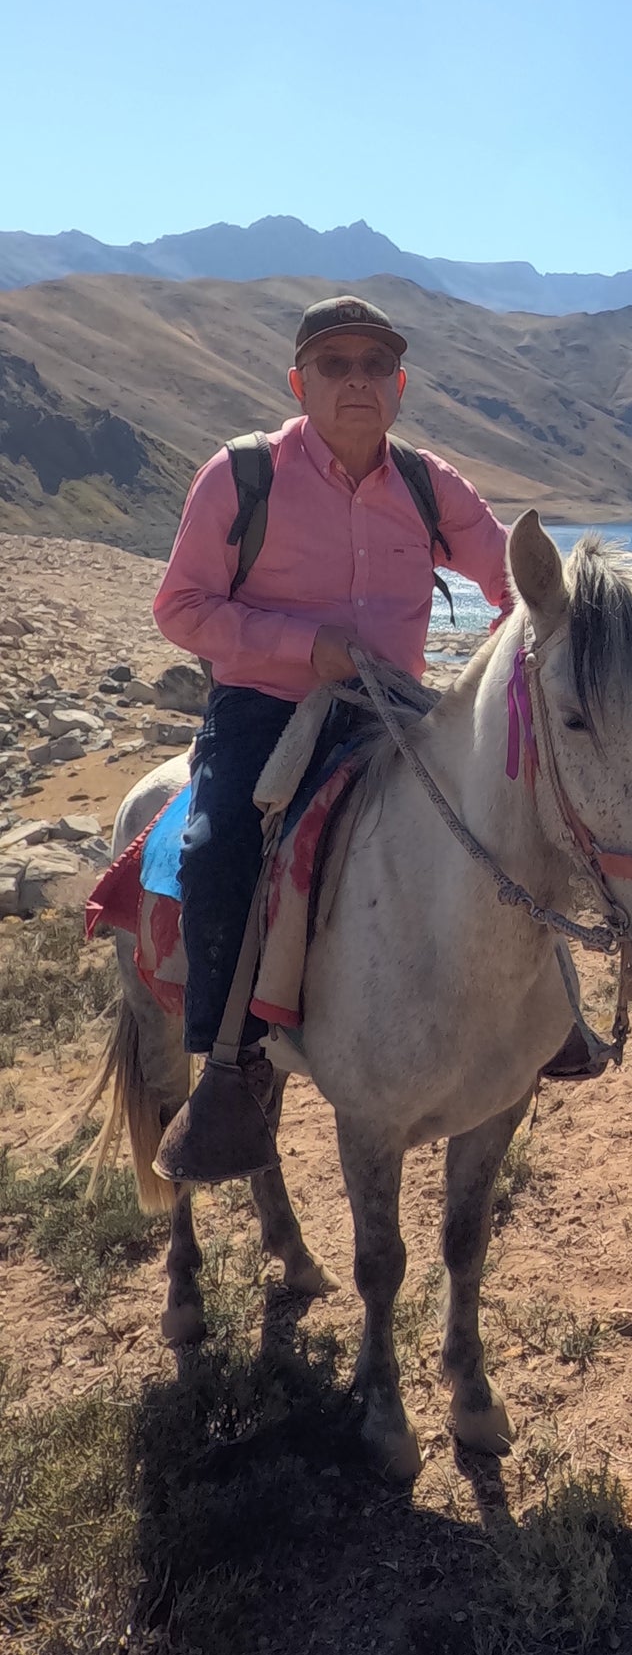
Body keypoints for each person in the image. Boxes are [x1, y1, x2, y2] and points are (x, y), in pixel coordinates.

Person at [151, 295, 512, 1183]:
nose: (356, 380)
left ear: (399, 385)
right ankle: (229, 1065)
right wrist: (301, 648)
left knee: (503, 822)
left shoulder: (431, 486)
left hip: (392, 711)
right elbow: (180, 608)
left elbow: (515, 581)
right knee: (218, 841)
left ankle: (547, 1020)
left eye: (373, 365)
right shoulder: (243, 476)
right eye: (334, 364)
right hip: (265, 708)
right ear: (299, 382)